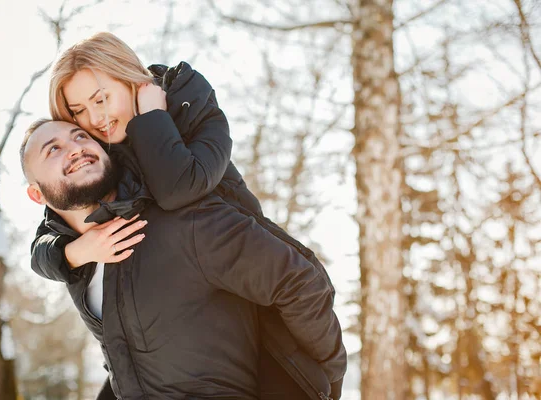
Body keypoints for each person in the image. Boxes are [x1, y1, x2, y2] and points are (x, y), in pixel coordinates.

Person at [31, 32, 345, 399]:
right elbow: (45, 235)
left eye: (100, 99)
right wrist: (74, 253)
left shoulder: (189, 109)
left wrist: (324, 377)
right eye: (78, 111)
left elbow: (177, 189)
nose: (94, 119)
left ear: (132, 78)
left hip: (249, 297)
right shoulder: (102, 156)